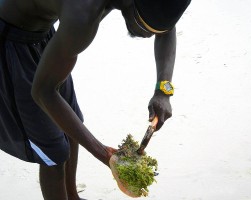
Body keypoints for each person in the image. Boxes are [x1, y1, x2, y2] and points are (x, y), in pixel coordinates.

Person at [0, 0, 191, 199]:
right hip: (9, 42)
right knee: (55, 152)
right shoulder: (83, 13)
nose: (149, 35)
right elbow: (43, 92)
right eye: (146, 27)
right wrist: (106, 155)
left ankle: (72, 196)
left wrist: (163, 90)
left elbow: (166, 27)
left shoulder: (146, 6)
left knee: (72, 125)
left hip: (42, 32)